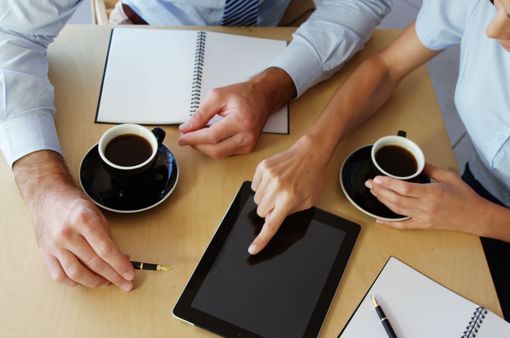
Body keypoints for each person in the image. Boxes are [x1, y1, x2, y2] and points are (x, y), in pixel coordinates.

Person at [250, 0, 510, 336]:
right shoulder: (487, 11)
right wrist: (312, 148)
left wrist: (480, 218)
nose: (490, 30)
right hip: (472, 201)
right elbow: (387, 66)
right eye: (495, 4)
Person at [0, 0, 390, 292]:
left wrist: (275, 85)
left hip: (283, 35)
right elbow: (12, 34)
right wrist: (45, 188)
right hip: (142, 29)